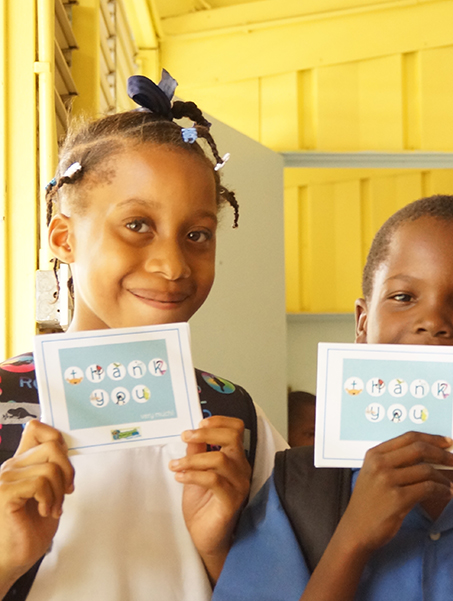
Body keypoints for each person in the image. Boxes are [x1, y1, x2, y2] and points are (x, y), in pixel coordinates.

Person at [212, 195, 453, 601]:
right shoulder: (299, 489)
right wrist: (351, 540)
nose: (432, 321)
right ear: (362, 323)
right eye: (404, 297)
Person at [0, 71, 285, 600]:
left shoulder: (235, 420)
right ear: (63, 237)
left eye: (197, 235)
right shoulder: (4, 403)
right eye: (137, 225)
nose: (173, 265)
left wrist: (220, 549)